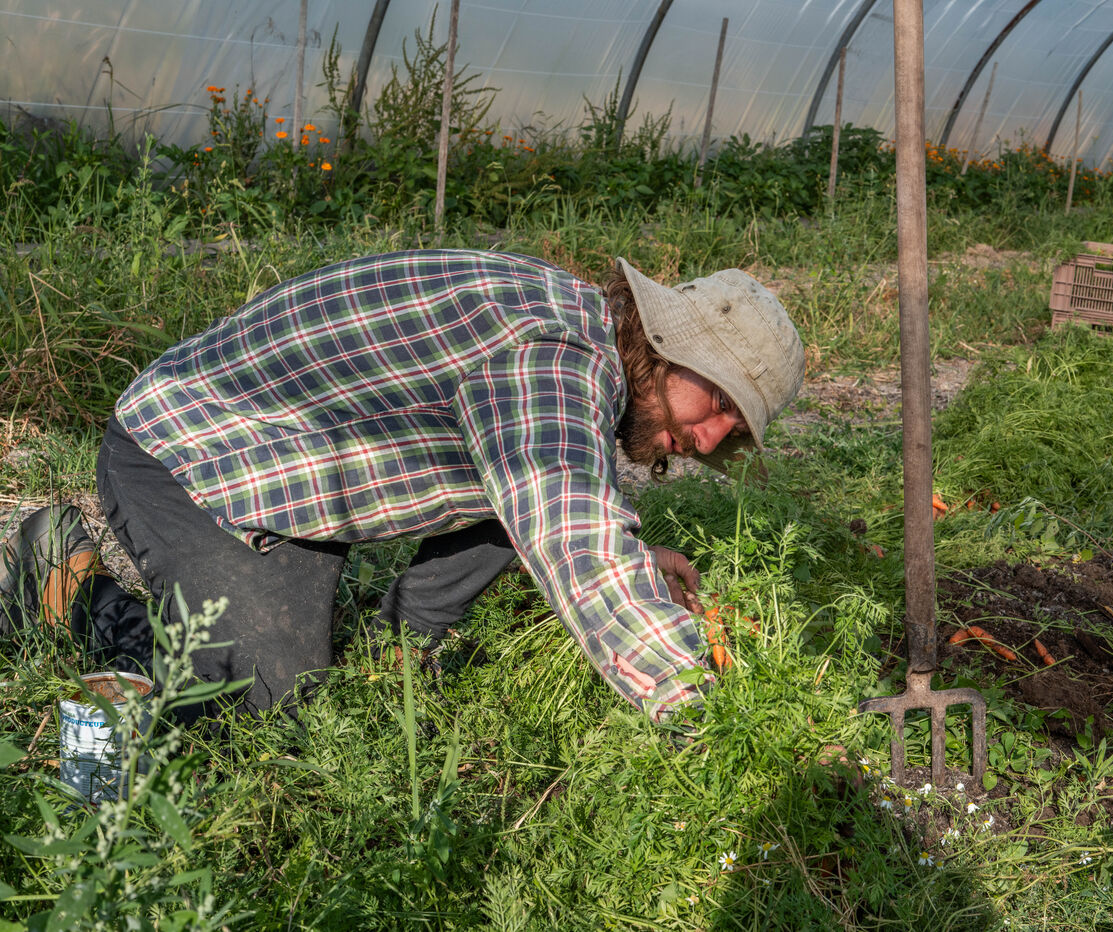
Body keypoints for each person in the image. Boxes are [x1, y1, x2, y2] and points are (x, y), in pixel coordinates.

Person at [0, 250, 804, 724]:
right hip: (193, 455)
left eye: (734, 429)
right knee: (264, 710)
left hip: (293, 474)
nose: (709, 439)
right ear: (666, 344)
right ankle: (63, 584)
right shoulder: (552, 358)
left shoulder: (578, 343)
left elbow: (552, 487)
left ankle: (398, 654)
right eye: (717, 402)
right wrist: (700, 704)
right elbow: (570, 537)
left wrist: (636, 555)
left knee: (517, 497)